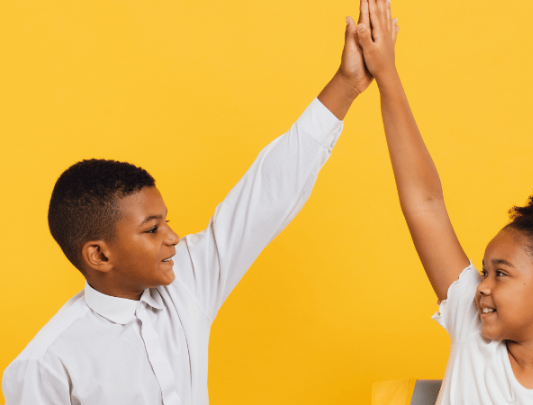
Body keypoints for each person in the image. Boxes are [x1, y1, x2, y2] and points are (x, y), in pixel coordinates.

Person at [2, 7, 374, 404]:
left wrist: (347, 84)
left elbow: (267, 194)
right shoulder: (46, 364)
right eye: (152, 229)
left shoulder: (187, 281)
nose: (173, 238)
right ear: (98, 254)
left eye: (166, 222)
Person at [354, 0, 533, 403]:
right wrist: (386, 72)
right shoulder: (470, 324)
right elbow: (424, 202)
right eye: (485, 271)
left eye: (501, 274)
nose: (481, 288)